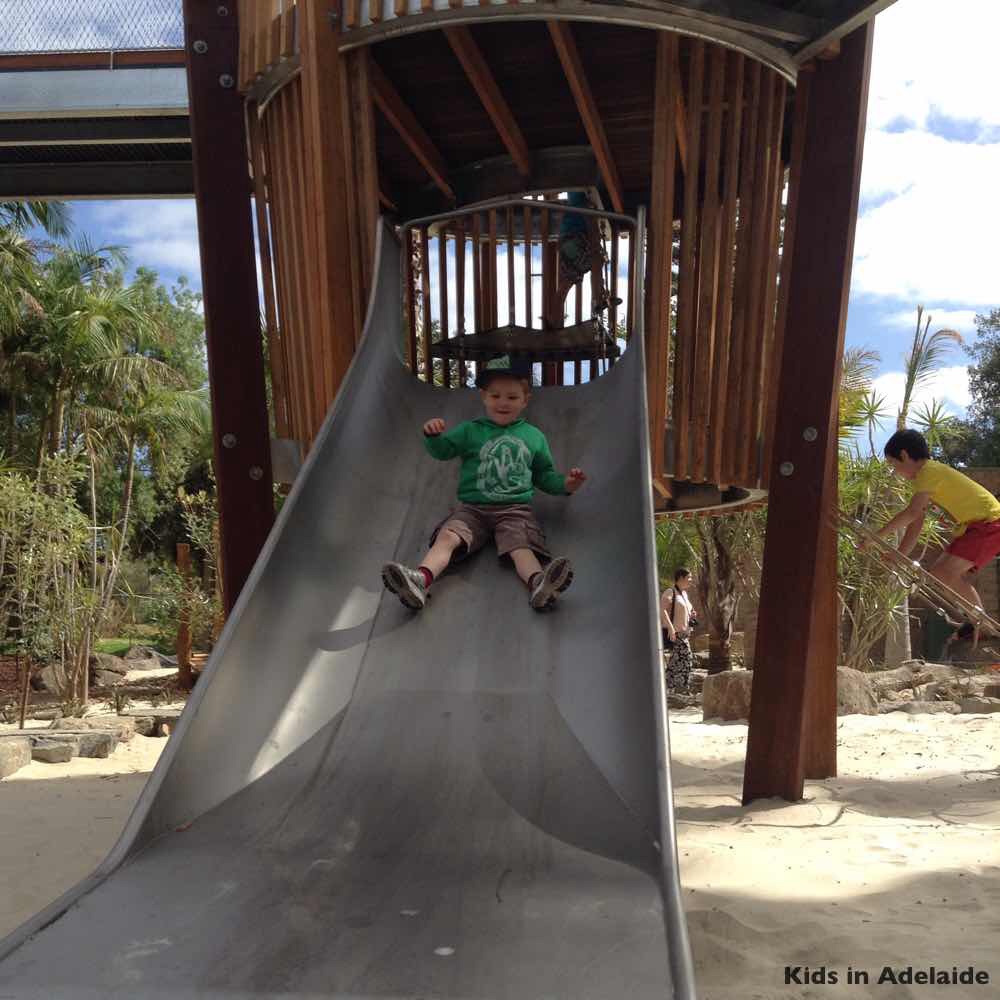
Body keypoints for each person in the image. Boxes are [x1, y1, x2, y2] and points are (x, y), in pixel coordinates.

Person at [381, 358, 587, 612]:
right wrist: (433, 437)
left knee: (520, 545)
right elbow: (443, 451)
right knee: (448, 536)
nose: (503, 402)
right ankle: (420, 580)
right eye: (495, 395)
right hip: (472, 509)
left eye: (512, 397)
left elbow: (544, 475)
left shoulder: (534, 437)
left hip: (515, 510)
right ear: (483, 396)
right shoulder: (470, 431)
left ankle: (539, 583)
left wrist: (568, 483)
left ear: (525, 400)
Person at [866, 428, 1000, 614]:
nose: (896, 472)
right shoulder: (924, 481)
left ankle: (982, 625)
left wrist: (875, 537)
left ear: (904, 455)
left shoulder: (929, 472)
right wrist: (899, 555)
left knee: (945, 573)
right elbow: (917, 522)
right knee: (939, 574)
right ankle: (976, 621)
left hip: (990, 524)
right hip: (976, 527)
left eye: (893, 464)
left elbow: (912, 513)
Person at [661, 568, 697, 692]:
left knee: (676, 661)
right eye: (689, 577)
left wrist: (691, 614)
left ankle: (670, 687)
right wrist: (671, 629)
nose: (691, 580)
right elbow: (662, 610)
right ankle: (681, 688)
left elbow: (684, 610)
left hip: (685, 633)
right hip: (676, 634)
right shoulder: (670, 592)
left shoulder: (684, 594)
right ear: (681, 578)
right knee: (686, 658)